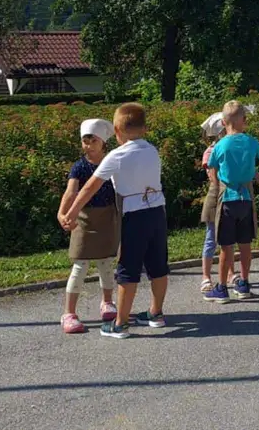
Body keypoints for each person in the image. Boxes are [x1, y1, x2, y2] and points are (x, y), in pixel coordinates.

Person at [61, 103, 168, 339]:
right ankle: (156, 313)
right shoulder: (152, 150)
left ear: (117, 131)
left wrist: (70, 213)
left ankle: (120, 324)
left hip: (133, 215)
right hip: (158, 211)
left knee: (128, 268)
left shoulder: (117, 155)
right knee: (158, 264)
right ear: (145, 129)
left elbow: (89, 188)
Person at [203, 101, 259, 302]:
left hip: (227, 199)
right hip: (246, 199)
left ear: (223, 122)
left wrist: (217, 185)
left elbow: (212, 170)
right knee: (245, 244)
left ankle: (222, 287)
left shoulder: (220, 145)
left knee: (226, 246)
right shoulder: (251, 142)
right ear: (244, 121)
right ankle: (243, 283)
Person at [57, 118, 119, 334]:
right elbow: (71, 192)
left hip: (107, 218)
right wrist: (62, 213)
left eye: (93, 140)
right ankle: (69, 313)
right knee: (80, 265)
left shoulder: (112, 162)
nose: (89, 145)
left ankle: (107, 302)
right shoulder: (80, 167)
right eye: (85, 140)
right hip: (83, 219)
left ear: (103, 142)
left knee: (106, 263)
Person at [199, 112, 225, 294]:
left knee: (228, 240)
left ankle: (230, 274)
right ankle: (206, 276)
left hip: (229, 196)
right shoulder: (211, 151)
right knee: (211, 239)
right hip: (216, 197)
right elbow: (213, 176)